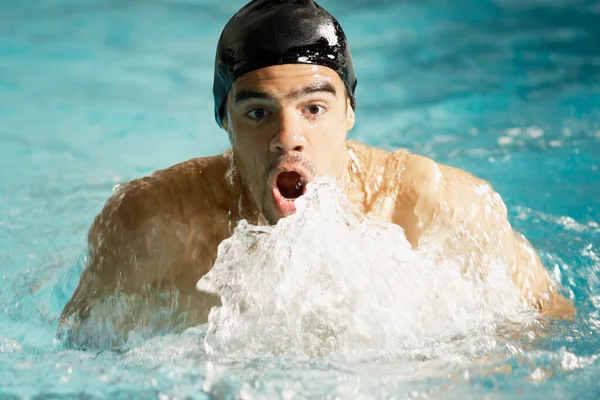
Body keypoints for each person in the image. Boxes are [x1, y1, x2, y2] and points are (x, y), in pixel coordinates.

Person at [59, 0, 574, 347]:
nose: (288, 137)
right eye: (258, 112)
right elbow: (77, 353)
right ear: (224, 121)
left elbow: (550, 325)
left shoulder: (441, 207)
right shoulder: (152, 221)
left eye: (314, 107)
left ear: (349, 111)